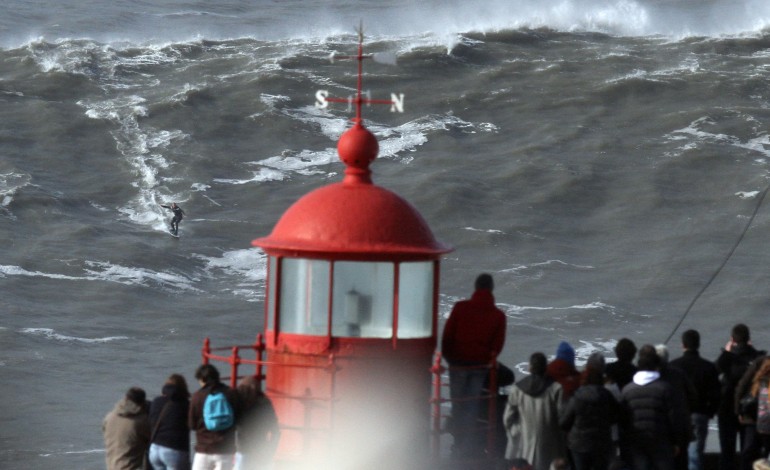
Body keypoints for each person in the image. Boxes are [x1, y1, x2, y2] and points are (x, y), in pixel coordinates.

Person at [441, 273, 507, 458]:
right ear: (491, 289)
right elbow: (497, 345)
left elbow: (447, 336)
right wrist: (486, 360)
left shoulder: (460, 308)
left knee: (457, 405)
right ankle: (467, 450)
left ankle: (457, 445)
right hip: (479, 367)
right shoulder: (498, 316)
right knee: (471, 408)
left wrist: (450, 359)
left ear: (475, 287)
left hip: (457, 365)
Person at [619, 344, 689, 470]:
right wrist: (676, 441)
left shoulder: (627, 390)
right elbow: (673, 418)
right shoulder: (665, 389)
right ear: (656, 367)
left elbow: (623, 420)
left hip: (637, 442)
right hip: (661, 441)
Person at [504, 352, 567, 470]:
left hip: (524, 443)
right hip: (550, 444)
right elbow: (562, 419)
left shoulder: (518, 389)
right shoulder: (556, 388)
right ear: (545, 368)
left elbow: (508, 418)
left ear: (530, 367)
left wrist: (516, 432)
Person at [668, 329, 721, 470]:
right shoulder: (708, 367)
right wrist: (709, 413)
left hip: (678, 417)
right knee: (695, 455)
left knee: (677, 455)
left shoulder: (673, 366)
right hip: (699, 414)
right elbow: (716, 395)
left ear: (683, 345)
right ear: (698, 344)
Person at [559, 352, 620, 470]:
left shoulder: (577, 396)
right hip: (601, 443)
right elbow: (616, 416)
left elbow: (564, 423)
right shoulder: (606, 395)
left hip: (578, 444)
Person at [716, 323, 764, 470]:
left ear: (732, 340)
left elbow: (713, 372)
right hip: (750, 410)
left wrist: (726, 352)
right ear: (748, 339)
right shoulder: (756, 358)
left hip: (727, 410)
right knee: (748, 453)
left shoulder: (728, 359)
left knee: (727, 453)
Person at [189, 364, 238, 470]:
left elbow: (192, 424)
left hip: (204, 449)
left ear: (202, 379)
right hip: (225, 449)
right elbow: (239, 419)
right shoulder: (231, 393)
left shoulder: (197, 396)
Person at [655, 344, 696, 470]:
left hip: (658, 429)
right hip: (680, 427)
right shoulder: (678, 374)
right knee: (681, 462)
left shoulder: (651, 377)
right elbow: (693, 396)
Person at [233, 375, 280, 470]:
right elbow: (275, 430)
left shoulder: (239, 402)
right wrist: (271, 450)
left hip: (242, 448)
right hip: (261, 447)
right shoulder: (265, 402)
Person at [103, 386, 151, 470]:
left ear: (125, 398)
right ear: (142, 403)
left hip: (111, 466)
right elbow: (153, 438)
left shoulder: (109, 417)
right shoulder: (140, 421)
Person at [149, 373, 191, 470]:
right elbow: (192, 424)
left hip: (155, 448)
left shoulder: (156, 401)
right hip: (174, 449)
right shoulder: (185, 405)